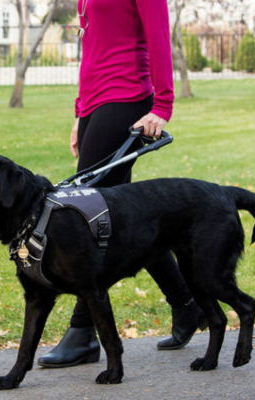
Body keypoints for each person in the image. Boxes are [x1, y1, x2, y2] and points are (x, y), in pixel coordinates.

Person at [36, 0, 206, 368]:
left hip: (127, 97)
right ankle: (186, 305)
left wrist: (163, 105)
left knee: (85, 215)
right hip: (97, 103)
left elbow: (159, 37)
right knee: (125, 217)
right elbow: (93, 48)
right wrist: (81, 112)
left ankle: (83, 332)